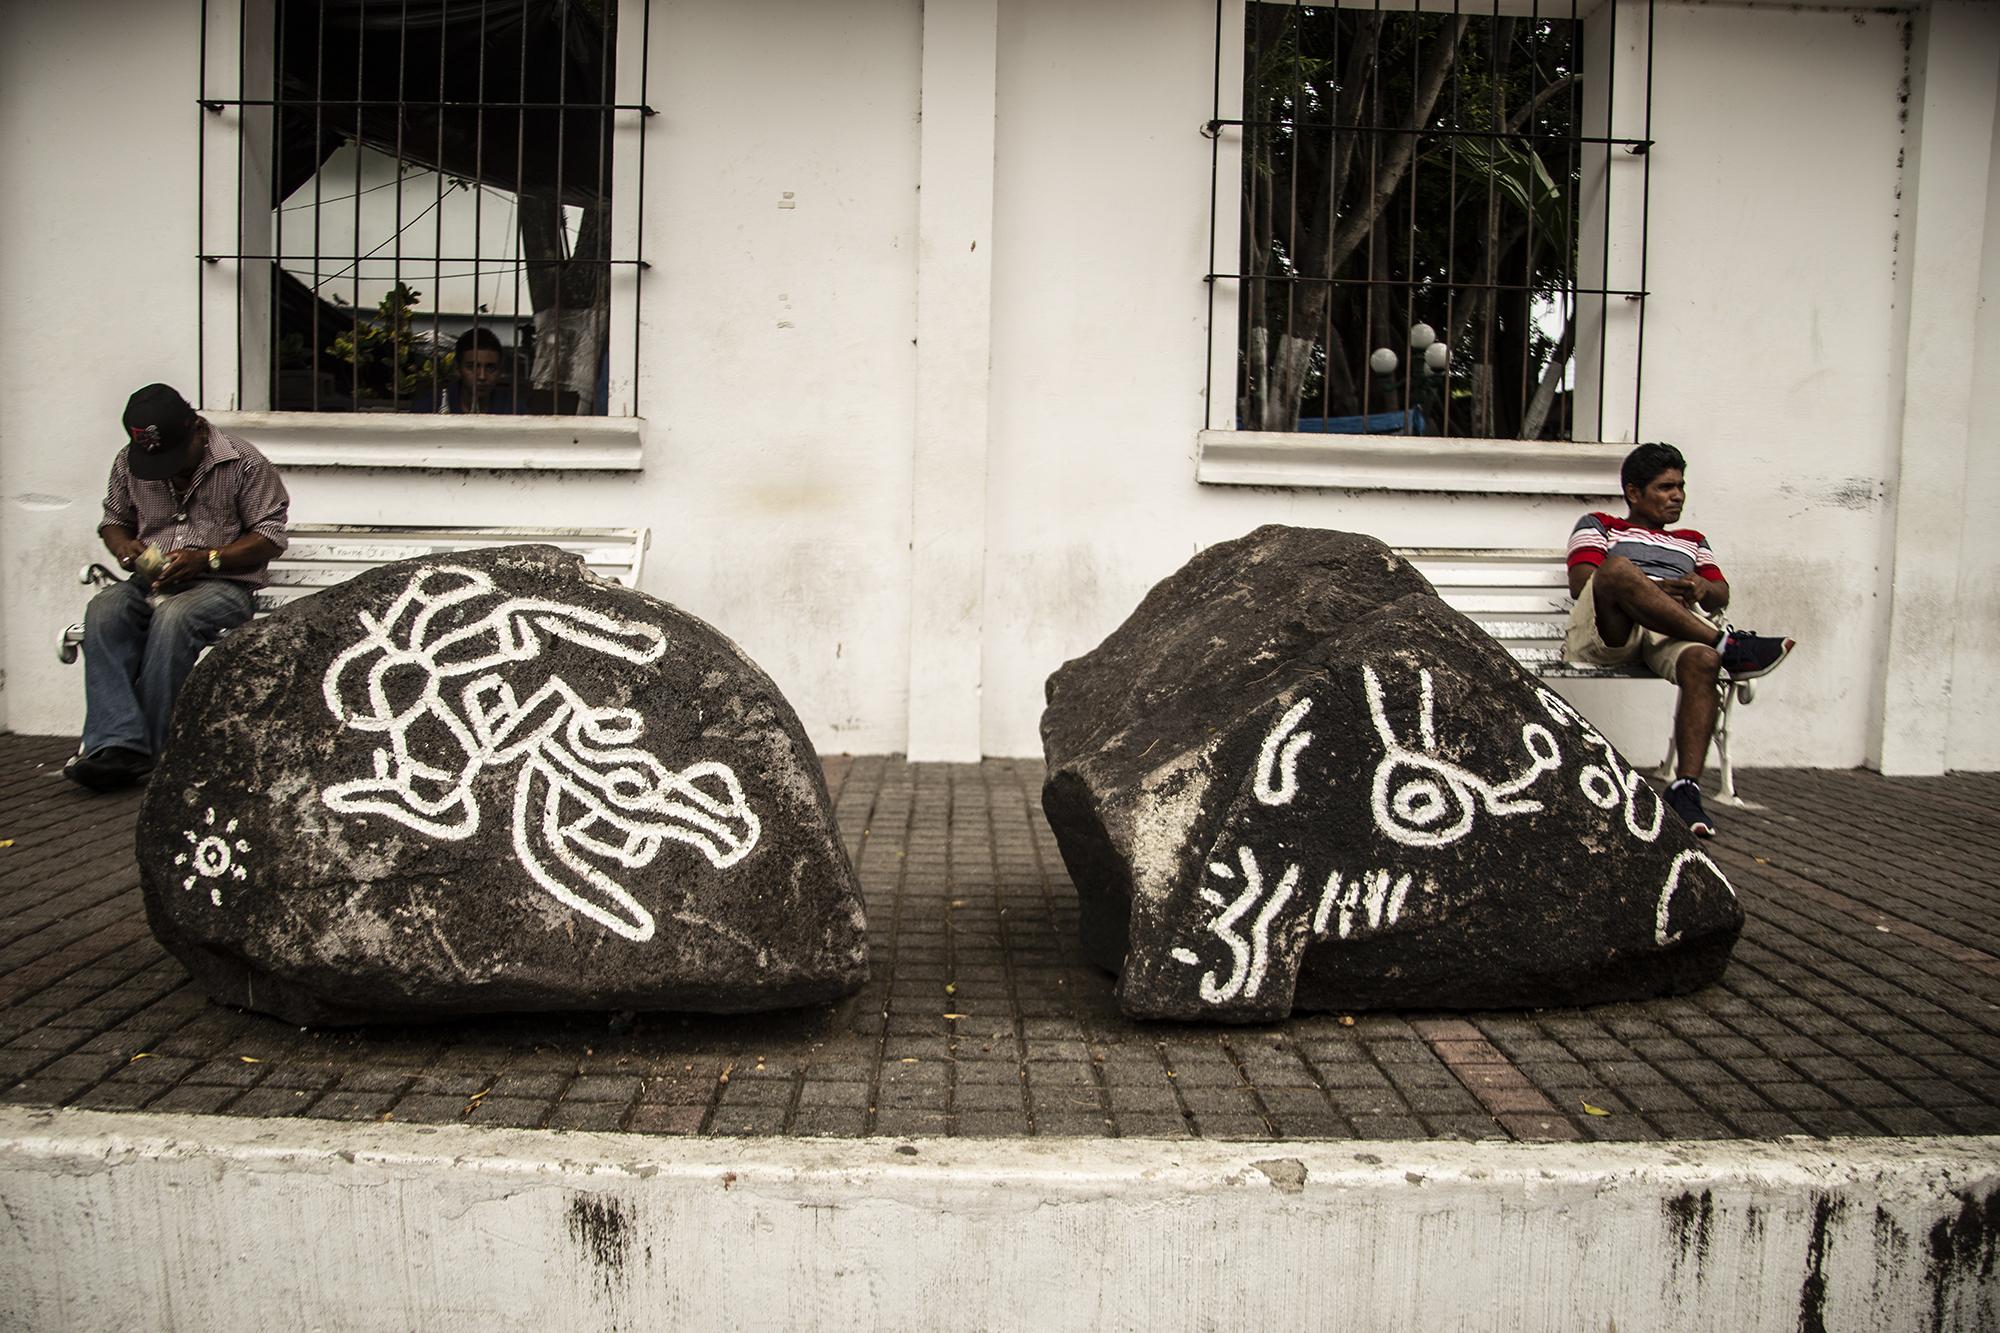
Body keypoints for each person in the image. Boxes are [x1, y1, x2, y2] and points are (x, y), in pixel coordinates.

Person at [1564, 442, 1795, 839]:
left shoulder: (1692, 540)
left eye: (1680, 487)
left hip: (1672, 631)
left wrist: (1700, 587)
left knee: (1703, 661)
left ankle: (1685, 788)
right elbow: (1584, 581)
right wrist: (1652, 588)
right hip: (1610, 631)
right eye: (1665, 487)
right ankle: (1731, 647)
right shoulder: (1599, 523)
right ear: (1634, 493)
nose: (1677, 496)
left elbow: (1722, 592)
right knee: (1618, 569)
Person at [66, 384, 290, 791]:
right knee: (104, 610)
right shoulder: (127, 463)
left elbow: (270, 536)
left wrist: (207, 558)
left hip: (222, 586)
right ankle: (116, 744)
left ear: (198, 429)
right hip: (148, 580)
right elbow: (113, 520)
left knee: (174, 616)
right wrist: (124, 548)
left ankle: (152, 751)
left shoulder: (244, 463)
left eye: (174, 460)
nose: (167, 472)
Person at [429, 325, 522, 414]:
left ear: (500, 370)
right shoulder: (433, 405)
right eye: (472, 367)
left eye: (490, 368)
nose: (482, 376)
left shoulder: (512, 407)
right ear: (457, 368)